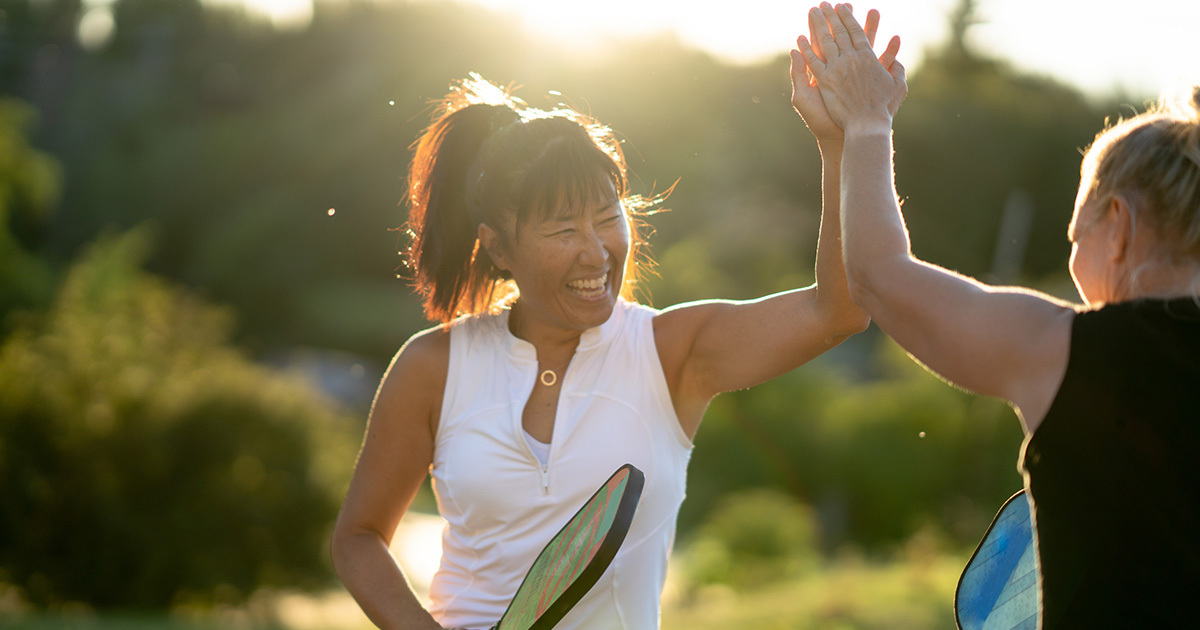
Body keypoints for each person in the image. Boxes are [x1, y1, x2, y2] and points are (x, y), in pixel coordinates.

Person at [328, 17, 901, 628]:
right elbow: (359, 538)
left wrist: (849, 140)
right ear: (498, 248)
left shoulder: (672, 352)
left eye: (607, 217)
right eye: (562, 230)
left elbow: (839, 310)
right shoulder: (433, 366)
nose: (596, 251)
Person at [796, 3, 1200, 626]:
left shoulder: (1074, 353)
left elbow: (878, 278)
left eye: (1075, 239)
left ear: (1117, 228)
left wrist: (866, 124)